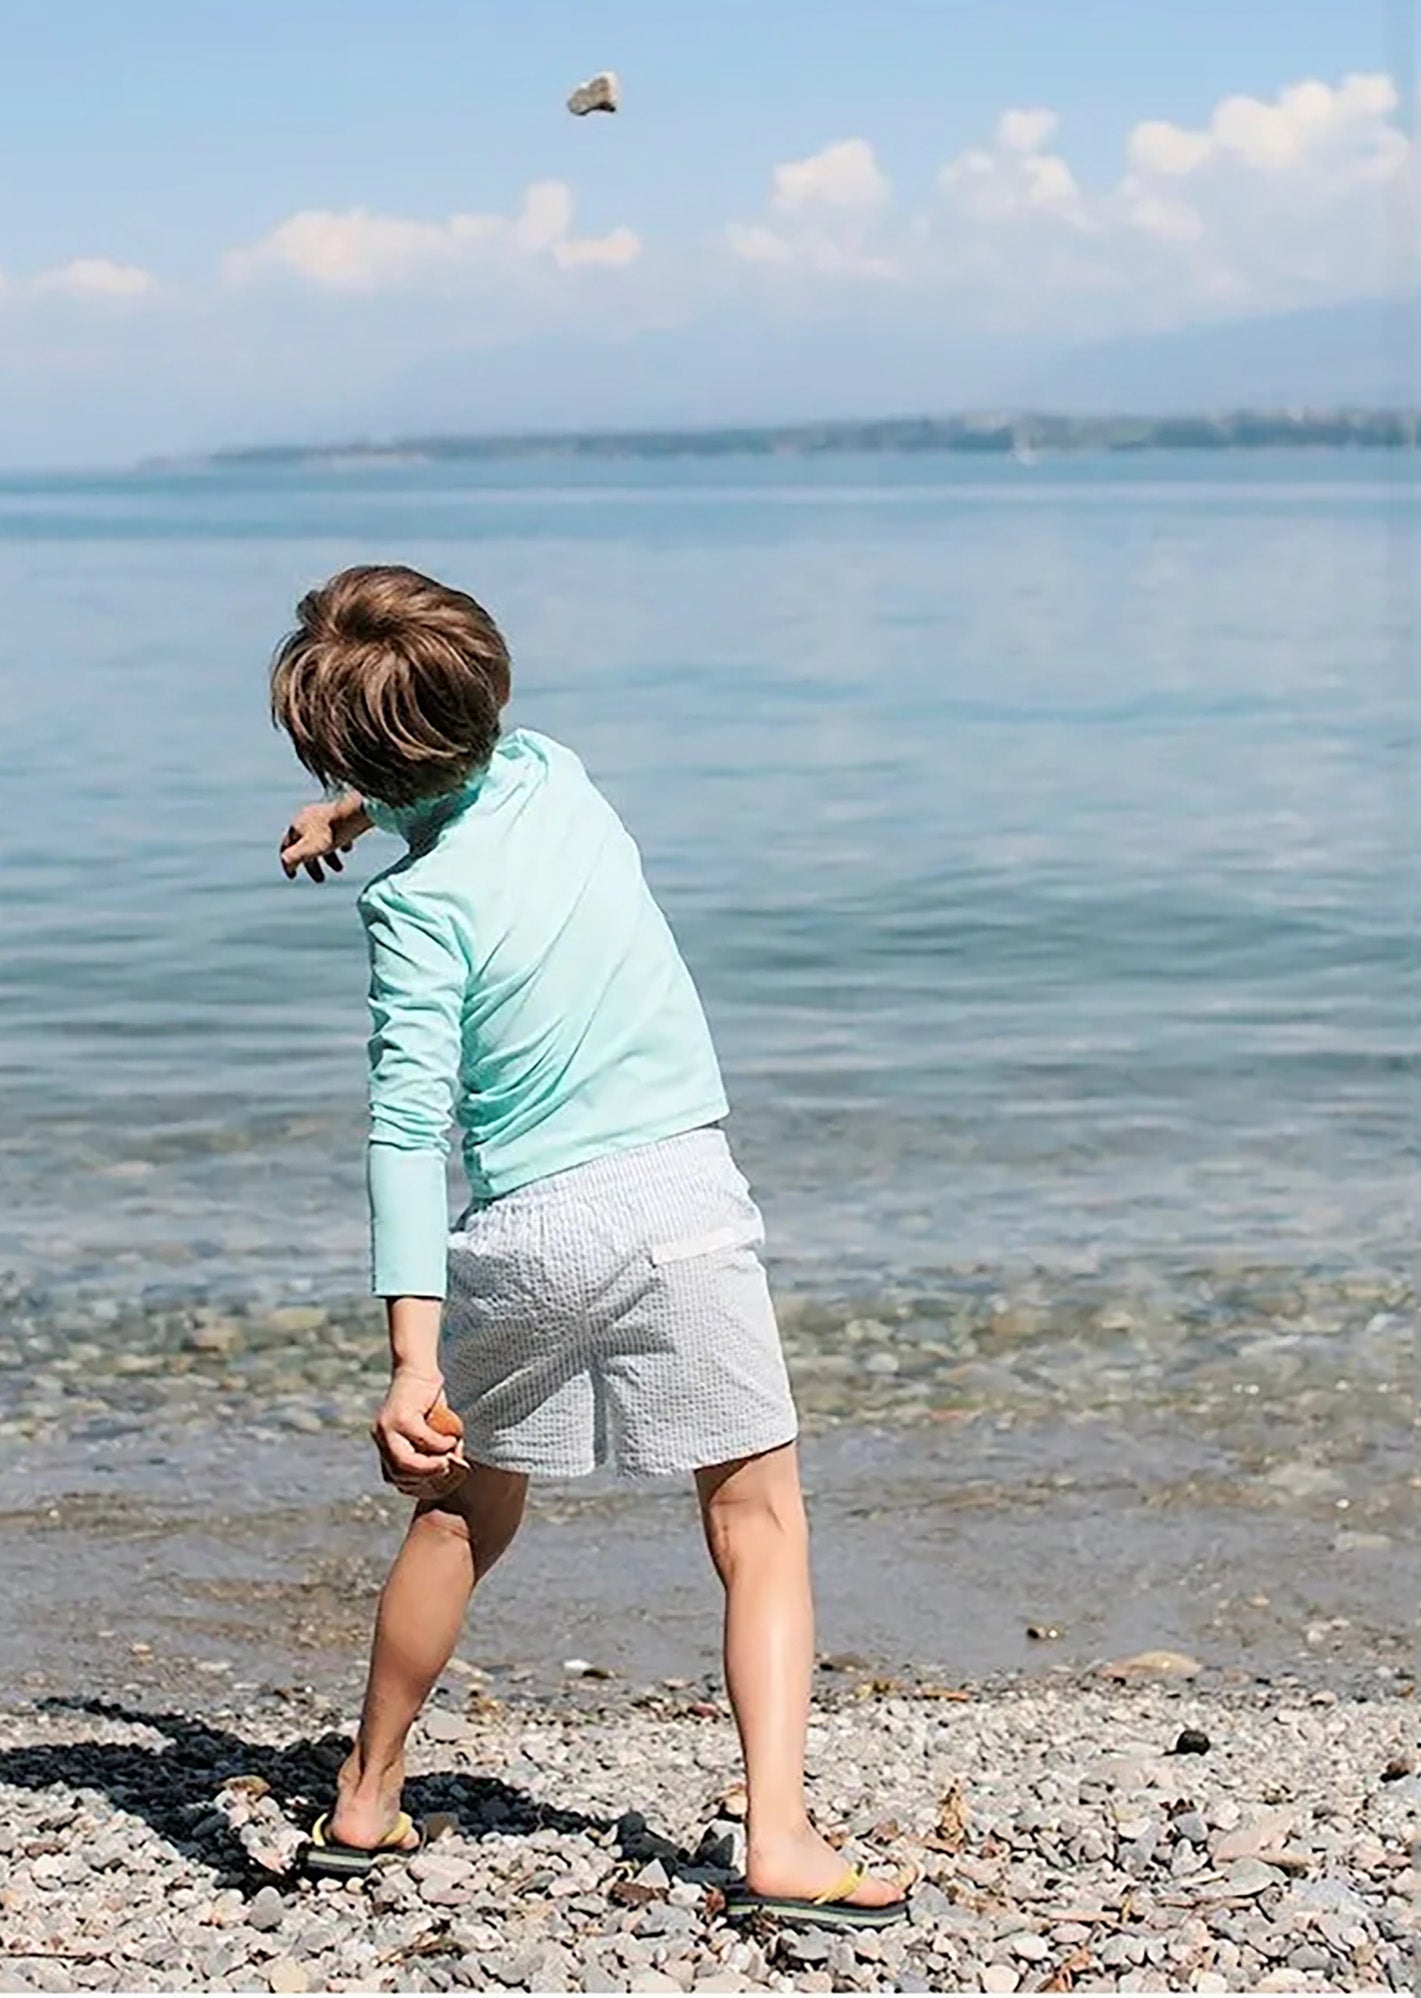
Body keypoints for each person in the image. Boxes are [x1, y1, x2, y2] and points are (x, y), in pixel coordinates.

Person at [271, 564, 911, 1928]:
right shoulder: (558, 771)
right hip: (678, 1205)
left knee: (460, 1511)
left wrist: (409, 1362)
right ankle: (782, 1837)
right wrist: (365, 798)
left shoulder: (411, 909)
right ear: (488, 693)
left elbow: (403, 1133)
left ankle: (366, 1801)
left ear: (346, 751)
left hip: (529, 1230)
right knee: (757, 1522)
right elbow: (463, 775)